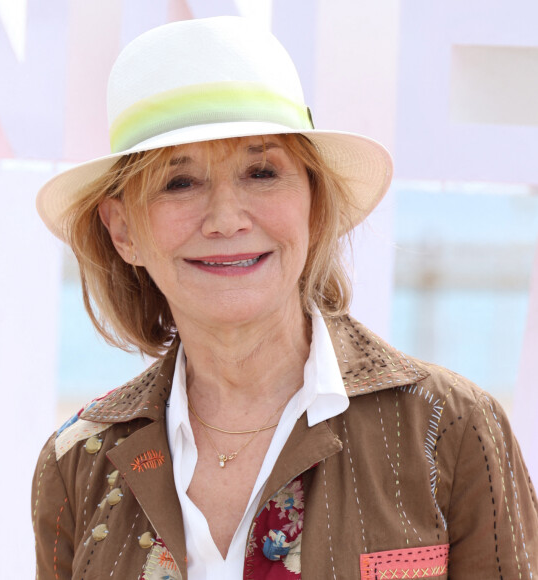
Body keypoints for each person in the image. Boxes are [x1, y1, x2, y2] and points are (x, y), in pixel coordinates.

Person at [32, 16, 538, 580]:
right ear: (122, 229)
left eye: (261, 171)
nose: (226, 218)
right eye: (179, 182)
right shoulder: (79, 461)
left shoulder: (452, 429)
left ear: (314, 204)